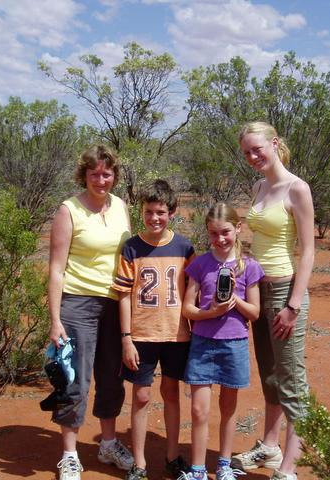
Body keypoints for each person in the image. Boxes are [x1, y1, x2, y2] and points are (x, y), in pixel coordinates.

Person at [231, 122, 315, 480]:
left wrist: (293, 305)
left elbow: (309, 251)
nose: (252, 157)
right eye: (247, 152)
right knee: (269, 375)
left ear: (275, 143)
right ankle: (269, 445)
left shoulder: (297, 188)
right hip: (257, 289)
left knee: (291, 380)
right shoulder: (259, 186)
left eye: (257, 149)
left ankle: (288, 468)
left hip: (284, 291)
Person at [47, 144, 134, 480]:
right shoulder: (69, 211)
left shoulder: (121, 207)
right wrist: (55, 320)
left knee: (112, 377)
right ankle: (69, 454)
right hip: (78, 302)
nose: (101, 179)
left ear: (115, 175)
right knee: (75, 379)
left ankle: (108, 443)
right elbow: (56, 268)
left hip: (116, 303)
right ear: (83, 174)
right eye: (94, 173)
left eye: (107, 173)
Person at [112, 179, 195, 480]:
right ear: (141, 212)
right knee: (142, 396)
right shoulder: (132, 247)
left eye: (160, 211)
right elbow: (123, 295)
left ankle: (172, 457)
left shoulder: (185, 247)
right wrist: (126, 339)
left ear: (172, 211)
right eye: (149, 212)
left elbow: (193, 293)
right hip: (142, 335)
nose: (154, 218)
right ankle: (140, 463)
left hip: (176, 334)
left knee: (171, 392)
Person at [181, 202, 265, 480]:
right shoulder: (200, 264)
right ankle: (197, 470)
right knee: (198, 410)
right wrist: (211, 312)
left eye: (226, 232)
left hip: (234, 344)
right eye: (214, 234)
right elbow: (188, 309)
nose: (220, 239)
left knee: (228, 409)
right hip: (203, 344)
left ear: (238, 228)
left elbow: (254, 313)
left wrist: (234, 300)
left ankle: (225, 465)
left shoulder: (248, 266)